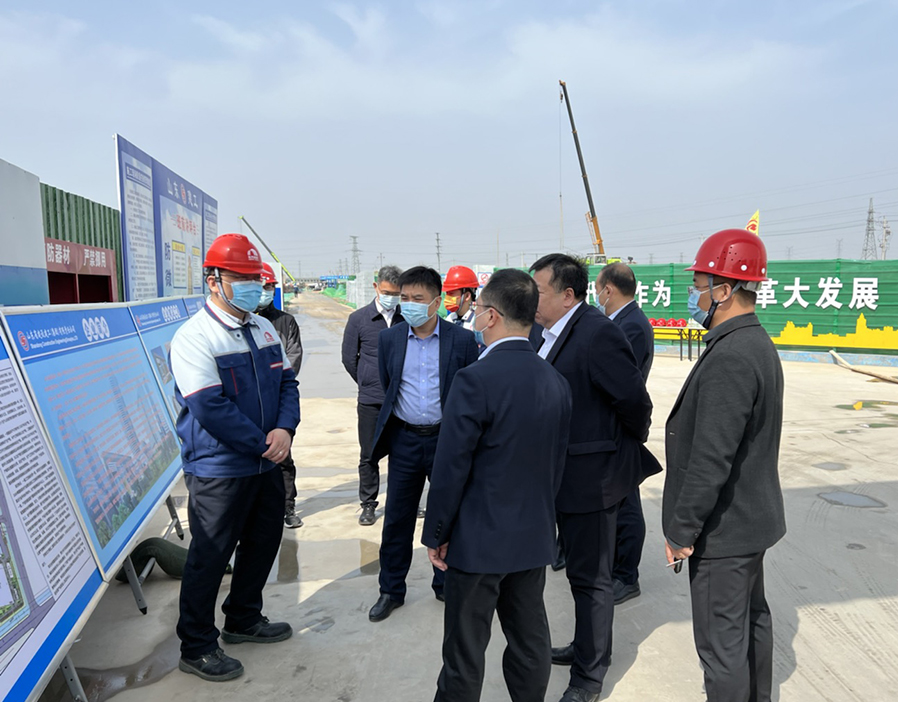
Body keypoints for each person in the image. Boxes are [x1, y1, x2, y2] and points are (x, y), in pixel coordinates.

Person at [423, 269, 572, 702]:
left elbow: (450, 468)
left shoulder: (475, 379)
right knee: (529, 640)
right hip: (533, 536)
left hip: (478, 542)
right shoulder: (555, 380)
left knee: (465, 651)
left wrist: (437, 533)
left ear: (490, 316)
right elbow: (556, 465)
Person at [169, 233, 300, 682]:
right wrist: (264, 442)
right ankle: (196, 645)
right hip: (220, 467)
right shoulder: (194, 337)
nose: (252, 287)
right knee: (210, 556)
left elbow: (288, 385)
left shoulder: (263, 328)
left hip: (265, 461)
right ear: (213, 280)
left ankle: (243, 618)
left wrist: (285, 429)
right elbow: (209, 406)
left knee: (263, 542)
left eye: (254, 278)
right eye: (240, 278)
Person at [529, 253, 659, 702]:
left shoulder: (598, 332)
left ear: (568, 295)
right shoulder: (542, 333)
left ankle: (589, 677)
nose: (531, 300)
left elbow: (635, 403)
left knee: (592, 581)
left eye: (538, 292)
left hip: (593, 478)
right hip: (557, 478)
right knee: (578, 577)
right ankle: (585, 647)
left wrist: (615, 451)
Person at [664, 229, 786, 702]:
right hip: (750, 524)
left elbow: (710, 459)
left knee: (721, 649)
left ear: (724, 290)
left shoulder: (731, 356)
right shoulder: (755, 342)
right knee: (751, 624)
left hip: (724, 533)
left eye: (699, 285)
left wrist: (682, 530)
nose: (694, 295)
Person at [367, 266, 479, 622]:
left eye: (418, 298)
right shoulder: (390, 339)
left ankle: (445, 583)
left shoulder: (461, 341)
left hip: (446, 440)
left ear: (436, 300)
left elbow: (469, 392)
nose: (410, 304)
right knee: (397, 518)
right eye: (405, 298)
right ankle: (391, 589)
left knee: (447, 515)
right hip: (405, 440)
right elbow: (389, 383)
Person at [595, 262, 655, 605]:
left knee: (627, 504)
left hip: (621, 427)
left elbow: (624, 386)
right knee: (619, 500)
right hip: (614, 425)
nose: (597, 295)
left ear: (609, 289)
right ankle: (617, 569)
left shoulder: (631, 325)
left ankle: (626, 575)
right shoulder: (621, 321)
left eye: (597, 289)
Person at [341, 265, 404, 526]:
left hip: (401, 401)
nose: (391, 298)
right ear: (376, 287)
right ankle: (368, 504)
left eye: (396, 294)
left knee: (402, 454)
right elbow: (349, 359)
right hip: (371, 401)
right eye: (387, 292)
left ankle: (402, 502)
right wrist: (368, 381)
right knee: (369, 454)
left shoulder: (405, 319)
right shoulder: (359, 319)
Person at [256, 262, 305, 528]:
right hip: (250, 405)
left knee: (282, 456)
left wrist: (275, 384)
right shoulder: (240, 324)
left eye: (270, 287)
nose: (267, 291)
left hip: (277, 401)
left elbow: (293, 356)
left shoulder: (285, 322)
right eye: (263, 286)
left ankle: (288, 507)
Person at [442, 265, 479, 330]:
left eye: (451, 293)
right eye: (447, 293)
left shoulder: (477, 323)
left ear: (467, 296)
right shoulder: (449, 320)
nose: (448, 297)